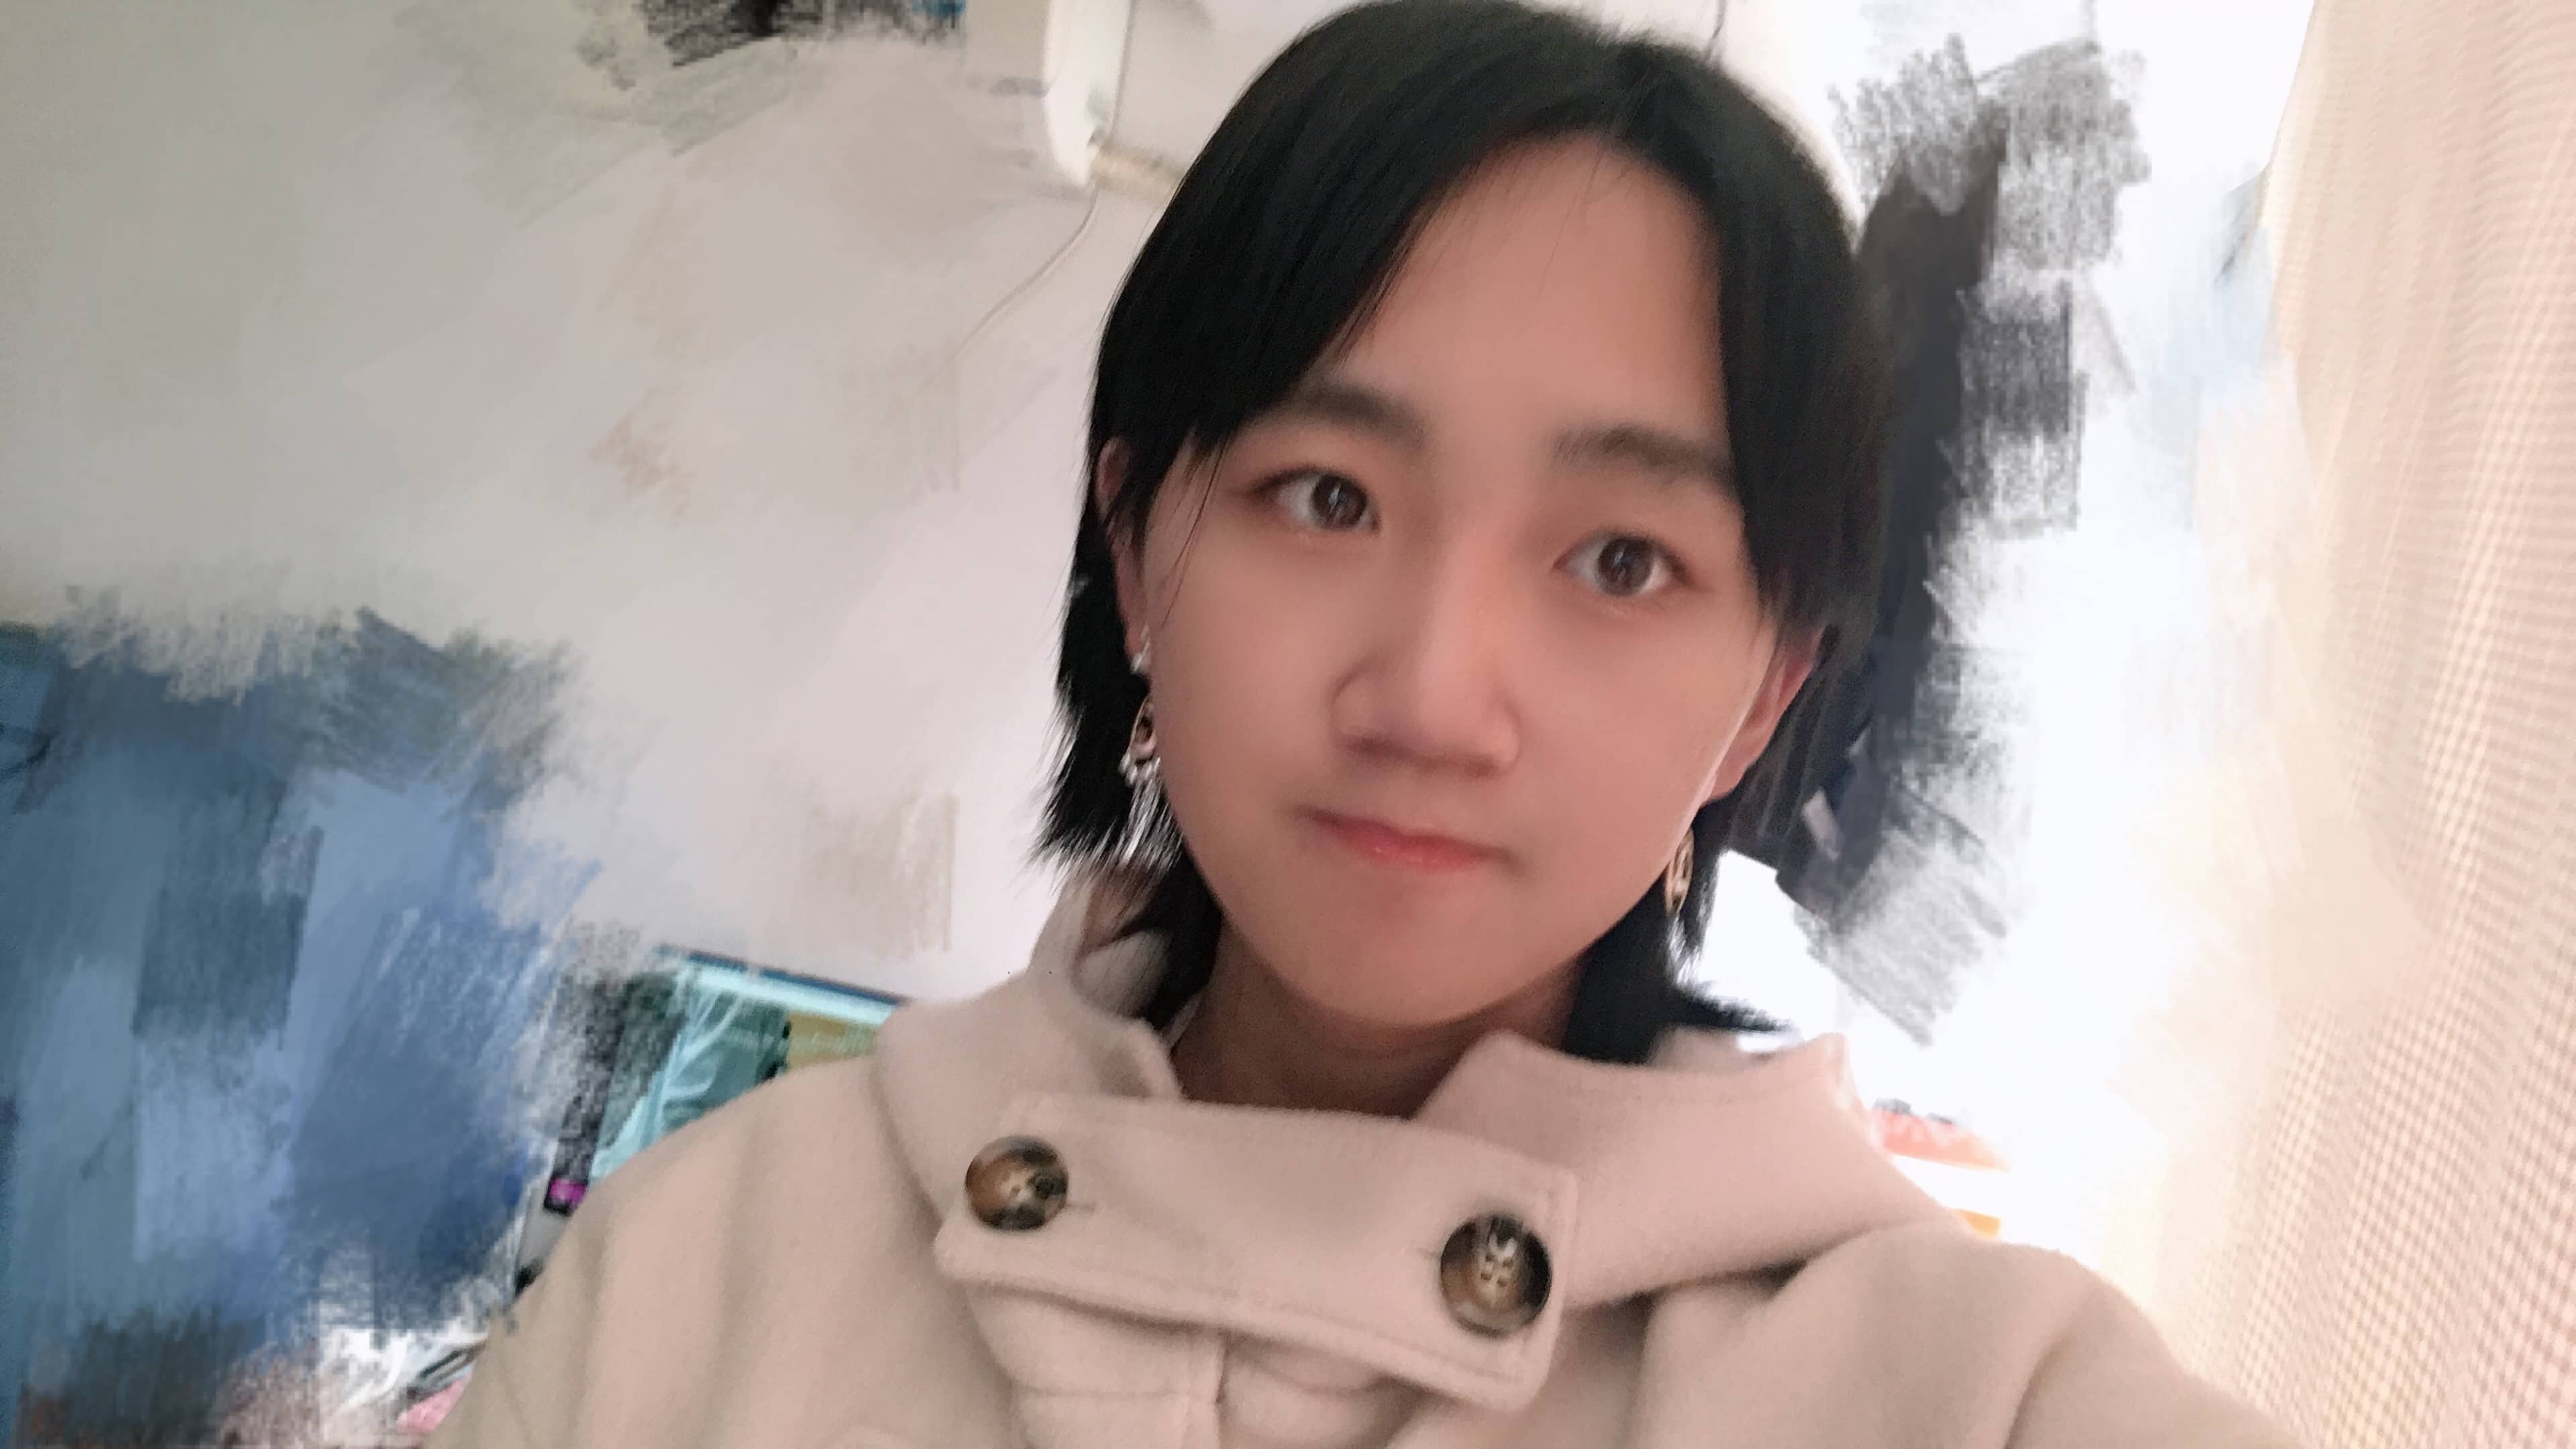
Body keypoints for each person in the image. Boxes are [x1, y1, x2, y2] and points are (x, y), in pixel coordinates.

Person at [429, 3, 2293, 1444]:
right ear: (1136, 554)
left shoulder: (1966, 1392)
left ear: (1760, 704)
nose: (1428, 698)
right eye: (1327, 498)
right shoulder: (704, 1272)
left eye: (1623, 560)